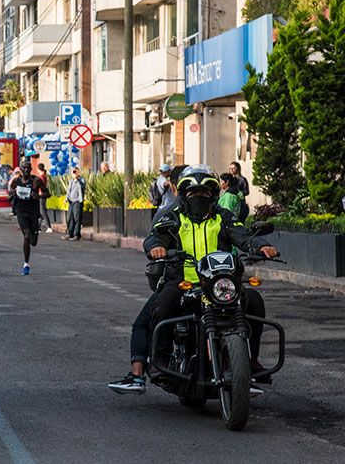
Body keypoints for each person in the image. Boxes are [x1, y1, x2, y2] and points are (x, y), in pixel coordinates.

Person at [108, 165, 278, 395]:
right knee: (159, 308)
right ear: (185, 195)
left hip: (220, 285)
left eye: (205, 193)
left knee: (255, 300)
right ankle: (159, 362)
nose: (200, 197)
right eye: (194, 193)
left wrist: (261, 246)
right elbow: (155, 236)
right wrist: (157, 247)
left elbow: (242, 235)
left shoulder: (222, 216)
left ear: (213, 195)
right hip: (182, 283)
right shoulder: (172, 215)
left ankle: (249, 361)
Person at [8, 161, 49, 275]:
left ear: (31, 169)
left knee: (33, 242)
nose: (26, 170)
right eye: (24, 168)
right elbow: (9, 196)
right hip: (21, 212)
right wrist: (12, 195)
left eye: (28, 168)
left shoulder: (36, 181)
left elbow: (47, 193)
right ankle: (26, 264)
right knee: (26, 236)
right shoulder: (16, 181)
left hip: (33, 213)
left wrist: (38, 196)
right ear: (21, 169)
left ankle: (32, 237)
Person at [62, 167, 86, 241]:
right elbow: (69, 190)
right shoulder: (71, 181)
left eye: (76, 172)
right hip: (71, 202)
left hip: (78, 201)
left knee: (77, 218)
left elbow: (82, 185)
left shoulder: (81, 180)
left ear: (78, 172)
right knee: (70, 218)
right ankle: (70, 234)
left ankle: (77, 234)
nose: (75, 173)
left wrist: (77, 179)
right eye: (73, 172)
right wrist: (66, 198)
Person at [37, 163, 53, 233]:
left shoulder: (42, 176)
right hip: (41, 195)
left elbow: (42, 186)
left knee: (43, 211)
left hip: (42, 195)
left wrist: (39, 192)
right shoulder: (43, 175)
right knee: (40, 211)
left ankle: (48, 226)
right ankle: (38, 227)